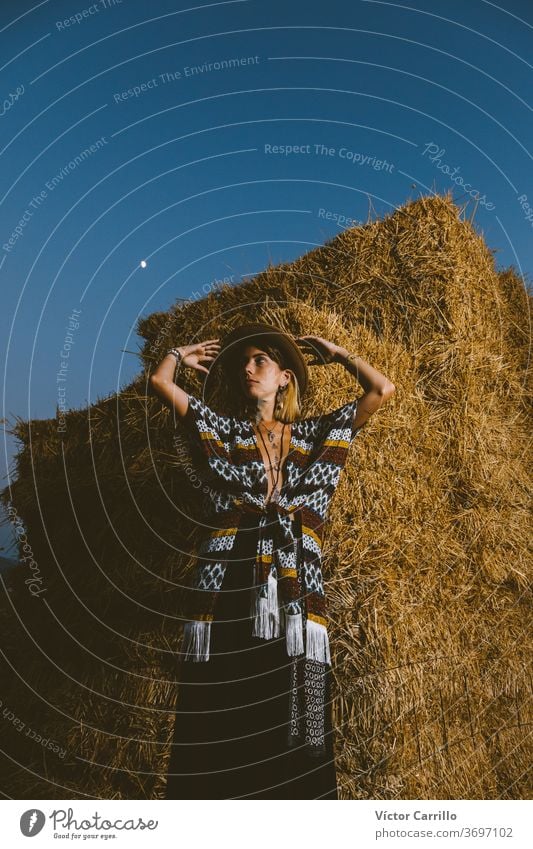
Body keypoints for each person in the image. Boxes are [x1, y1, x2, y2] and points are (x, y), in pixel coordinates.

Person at [149, 323, 395, 799]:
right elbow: (160, 384)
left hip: (296, 586)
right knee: (224, 698)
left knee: (296, 705)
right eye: (244, 362)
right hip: (230, 581)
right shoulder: (223, 431)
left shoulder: (315, 435)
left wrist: (338, 352)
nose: (248, 368)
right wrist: (179, 353)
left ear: (285, 378)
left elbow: (381, 389)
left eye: (260, 360)